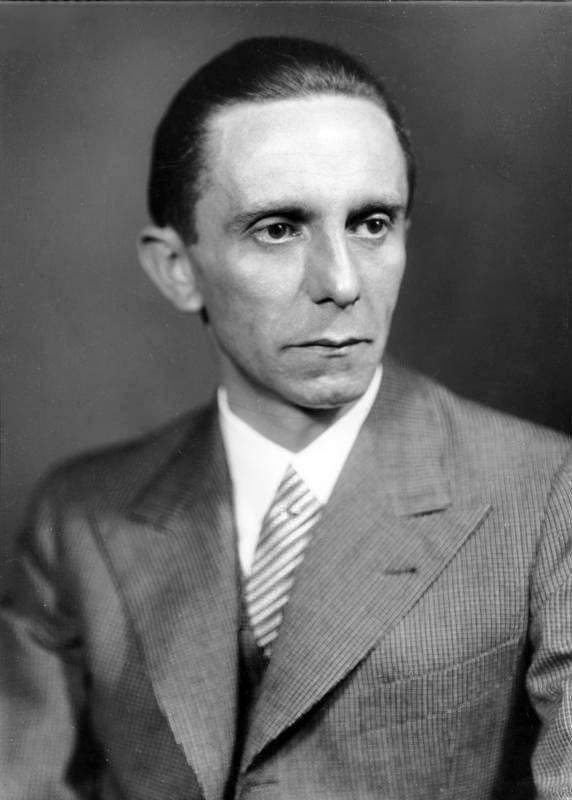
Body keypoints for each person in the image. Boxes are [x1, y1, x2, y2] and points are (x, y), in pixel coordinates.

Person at [0, 36, 570, 800]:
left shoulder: (547, 495)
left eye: (372, 223)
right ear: (178, 270)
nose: (341, 282)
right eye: (278, 228)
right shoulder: (77, 519)